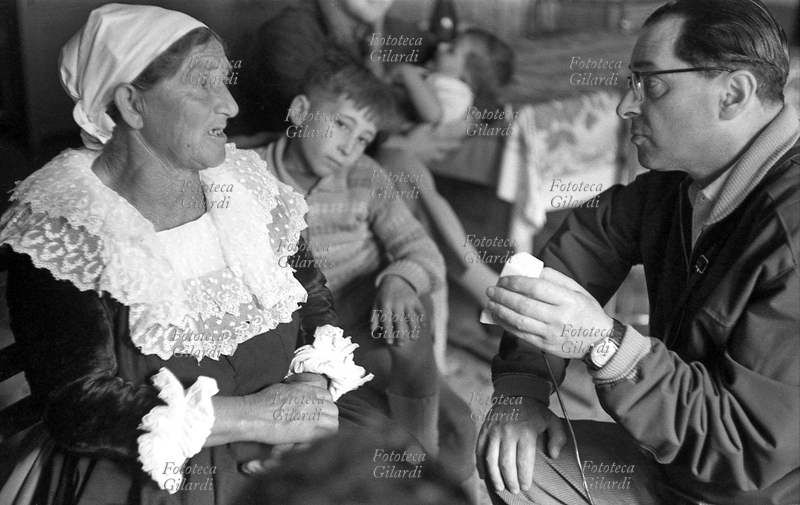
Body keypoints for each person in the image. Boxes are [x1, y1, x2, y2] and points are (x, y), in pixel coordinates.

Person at [0, 4, 387, 504]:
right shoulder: (65, 226)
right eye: (204, 84)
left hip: (291, 422)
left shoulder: (248, 190)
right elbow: (78, 406)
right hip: (154, 468)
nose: (229, 105)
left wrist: (305, 404)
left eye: (225, 82)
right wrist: (256, 416)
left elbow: (312, 304)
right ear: (132, 105)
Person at [478, 0, 800, 504]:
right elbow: (582, 249)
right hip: (672, 468)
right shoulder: (680, 184)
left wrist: (603, 342)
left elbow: (747, 446)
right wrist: (522, 386)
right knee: (513, 462)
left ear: (733, 94)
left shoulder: (792, 231)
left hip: (752, 492)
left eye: (650, 83)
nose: (625, 106)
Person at [255, 50, 476, 483]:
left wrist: (398, 279)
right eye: (340, 124)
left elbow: (421, 250)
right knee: (364, 446)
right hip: (303, 338)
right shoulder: (249, 175)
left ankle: (420, 460)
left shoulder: (364, 176)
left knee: (460, 437)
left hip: (372, 322)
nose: (347, 148)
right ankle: (410, 459)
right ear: (300, 111)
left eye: (362, 138)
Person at [392, 28, 514, 126]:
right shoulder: (444, 81)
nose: (441, 46)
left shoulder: (459, 94)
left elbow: (433, 114)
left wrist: (410, 75)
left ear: (466, 77)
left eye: (451, 50)